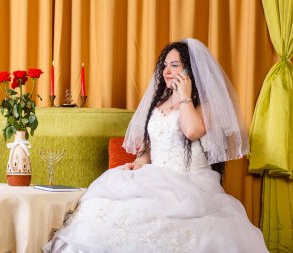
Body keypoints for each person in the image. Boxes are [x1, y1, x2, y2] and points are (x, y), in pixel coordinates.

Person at [43, 38, 268, 253]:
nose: (166, 71)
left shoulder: (205, 105)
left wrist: (185, 95)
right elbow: (154, 146)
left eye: (174, 65)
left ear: (190, 71)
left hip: (190, 184)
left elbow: (192, 131)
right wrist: (140, 161)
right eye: (164, 66)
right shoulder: (159, 103)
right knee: (104, 209)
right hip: (155, 176)